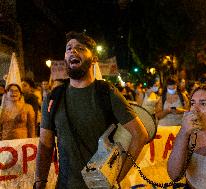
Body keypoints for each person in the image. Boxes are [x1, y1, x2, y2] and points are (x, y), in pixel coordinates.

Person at [34, 31, 148, 189]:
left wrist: (118, 175)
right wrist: (39, 182)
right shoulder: (53, 98)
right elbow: (45, 144)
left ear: (94, 59)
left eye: (80, 48)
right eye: (69, 48)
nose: (73, 51)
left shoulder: (107, 93)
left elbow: (140, 134)